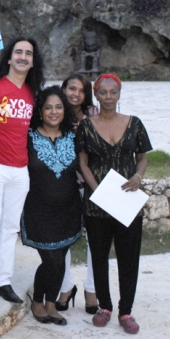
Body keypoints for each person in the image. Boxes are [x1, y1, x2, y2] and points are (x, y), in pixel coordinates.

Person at [0, 37, 45, 315]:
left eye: (28, 53)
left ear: (33, 60)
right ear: (9, 57)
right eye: (18, 52)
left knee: (10, 228)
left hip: (20, 169)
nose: (23, 57)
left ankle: (2, 280)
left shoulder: (30, 92)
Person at [76, 73, 152, 335]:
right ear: (96, 95)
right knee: (98, 256)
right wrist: (99, 192)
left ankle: (126, 310)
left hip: (128, 202)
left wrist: (138, 176)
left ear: (119, 94)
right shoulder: (86, 126)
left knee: (128, 257)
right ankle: (104, 307)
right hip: (98, 204)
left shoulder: (135, 124)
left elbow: (142, 158)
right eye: (103, 92)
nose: (108, 97)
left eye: (113, 92)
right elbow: (82, 163)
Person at [21, 86, 83, 326]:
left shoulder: (73, 136)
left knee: (61, 257)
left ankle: (51, 304)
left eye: (58, 107)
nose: (53, 112)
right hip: (38, 209)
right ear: (40, 110)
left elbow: (88, 163)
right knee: (51, 260)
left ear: (64, 110)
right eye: (48, 107)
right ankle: (37, 301)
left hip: (69, 208)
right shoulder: (27, 137)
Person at [57, 73, 99, 315]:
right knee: (63, 238)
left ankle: (92, 289)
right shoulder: (54, 111)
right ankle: (65, 286)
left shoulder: (93, 115)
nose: (75, 94)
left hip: (91, 184)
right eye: (71, 88)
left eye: (81, 90)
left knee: (96, 239)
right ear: (64, 88)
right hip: (63, 185)